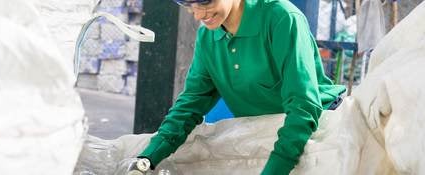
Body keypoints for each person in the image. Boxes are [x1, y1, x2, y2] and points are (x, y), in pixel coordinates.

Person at [133, 0, 346, 174]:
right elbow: (189, 105)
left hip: (318, 128)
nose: (197, 15)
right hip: (264, 131)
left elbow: (303, 106)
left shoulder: (281, 18)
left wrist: (274, 170)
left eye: (204, 2)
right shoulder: (208, 36)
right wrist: (146, 159)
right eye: (188, 5)